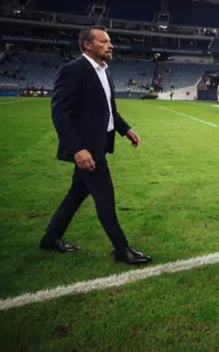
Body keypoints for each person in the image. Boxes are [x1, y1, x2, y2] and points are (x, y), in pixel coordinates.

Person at [39, 25, 152, 265]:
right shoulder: (73, 70)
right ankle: (122, 249)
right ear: (87, 45)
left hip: (99, 144)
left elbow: (108, 110)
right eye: (103, 41)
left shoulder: (105, 71)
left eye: (109, 41)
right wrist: (76, 149)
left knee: (76, 194)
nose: (110, 45)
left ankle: (50, 237)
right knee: (105, 197)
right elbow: (60, 113)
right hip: (87, 148)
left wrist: (125, 129)